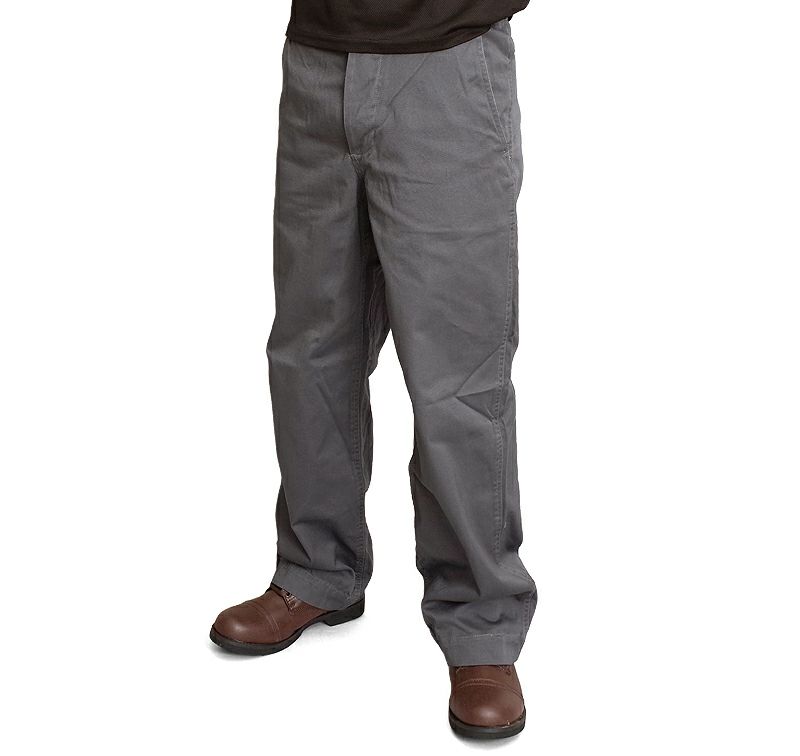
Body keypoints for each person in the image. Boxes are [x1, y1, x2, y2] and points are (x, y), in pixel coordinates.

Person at [210, 0, 537, 740]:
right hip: (318, 57)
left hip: (447, 59)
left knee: (456, 375)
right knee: (309, 347)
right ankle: (317, 570)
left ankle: (481, 624)